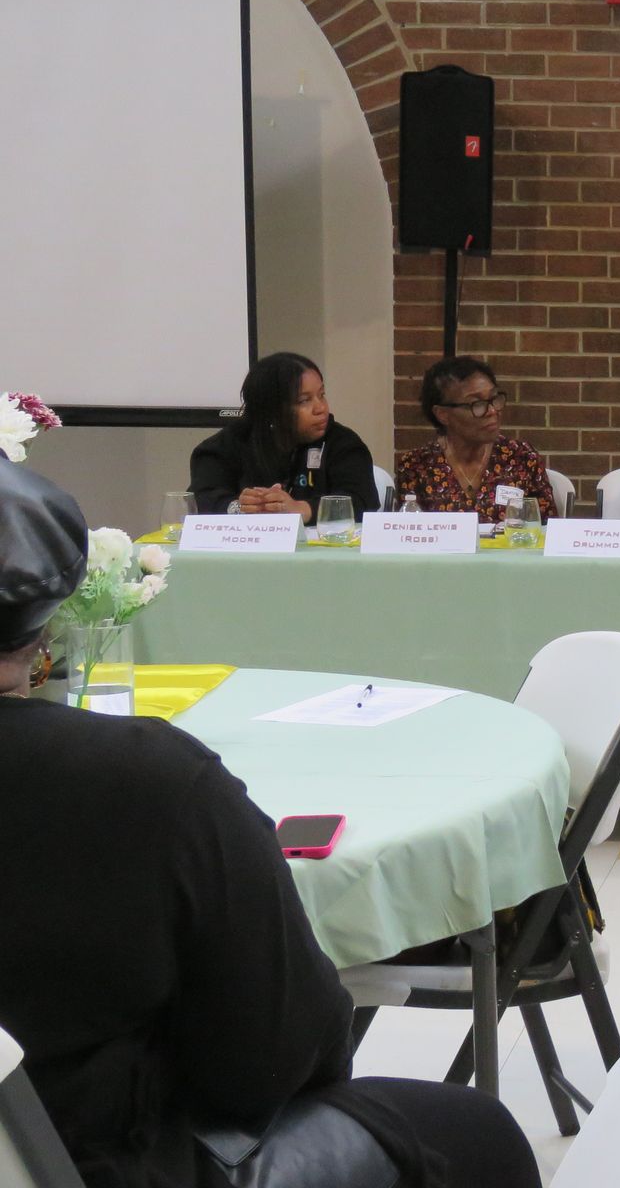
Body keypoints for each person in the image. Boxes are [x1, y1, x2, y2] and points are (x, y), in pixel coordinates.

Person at [0, 459, 539, 1188]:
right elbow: (285, 1056)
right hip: (101, 1161)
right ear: (46, 624)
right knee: (475, 1132)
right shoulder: (149, 782)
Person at [188, 353, 380, 522]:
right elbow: (199, 499)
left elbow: (362, 501)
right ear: (271, 410)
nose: (320, 408)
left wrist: (303, 509)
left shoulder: (343, 443)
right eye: (304, 401)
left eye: (321, 395)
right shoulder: (226, 446)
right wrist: (239, 507)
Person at [394, 356, 558, 523]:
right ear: (442, 414)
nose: (492, 411)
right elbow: (406, 531)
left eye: (494, 398)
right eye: (477, 404)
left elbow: (549, 529)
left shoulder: (521, 457)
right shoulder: (416, 466)